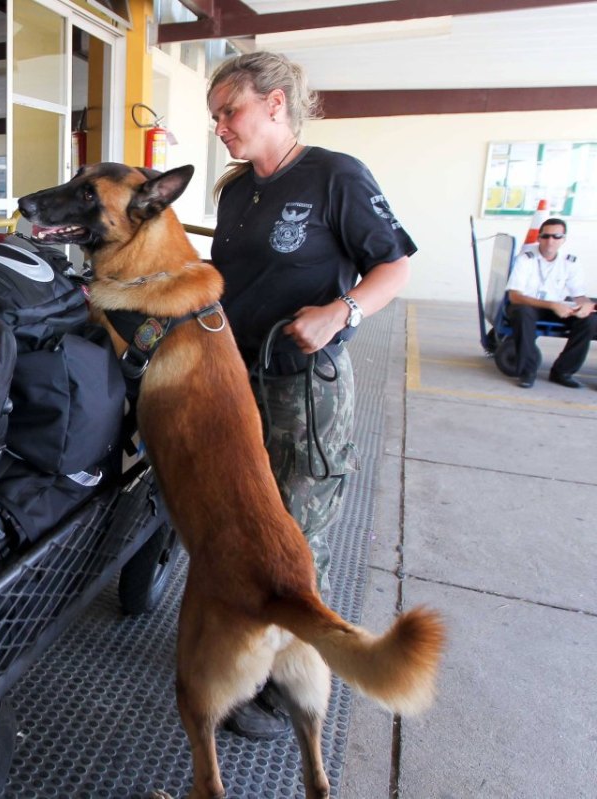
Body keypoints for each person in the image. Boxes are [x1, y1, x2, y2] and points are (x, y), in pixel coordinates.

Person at [205, 51, 414, 740]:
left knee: (297, 532)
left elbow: (393, 262)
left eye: (228, 111)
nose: (220, 127)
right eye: (214, 116)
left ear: (274, 104)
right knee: (244, 522)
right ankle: (244, 646)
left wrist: (342, 312)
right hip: (238, 383)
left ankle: (283, 684)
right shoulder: (235, 191)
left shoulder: (335, 177)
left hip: (305, 391)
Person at [504, 218, 595, 388]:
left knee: (590, 320)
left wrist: (586, 306)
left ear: (563, 239)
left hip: (558, 307)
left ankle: (563, 372)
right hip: (530, 305)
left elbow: (579, 295)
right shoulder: (525, 259)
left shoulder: (570, 261)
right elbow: (514, 296)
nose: (550, 241)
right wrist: (552, 305)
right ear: (539, 238)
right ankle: (527, 371)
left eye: (556, 236)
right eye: (545, 236)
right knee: (521, 313)